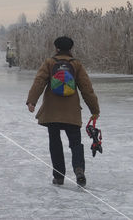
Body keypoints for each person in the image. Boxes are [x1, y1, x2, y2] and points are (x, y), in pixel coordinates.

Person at [26, 36, 100, 186]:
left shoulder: (49, 63)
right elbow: (87, 89)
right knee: (75, 143)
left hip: (51, 112)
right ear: (70, 49)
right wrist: (94, 109)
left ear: (56, 48)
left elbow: (39, 82)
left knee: (55, 143)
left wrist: (32, 101)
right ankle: (79, 169)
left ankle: (59, 176)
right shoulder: (76, 65)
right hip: (71, 112)